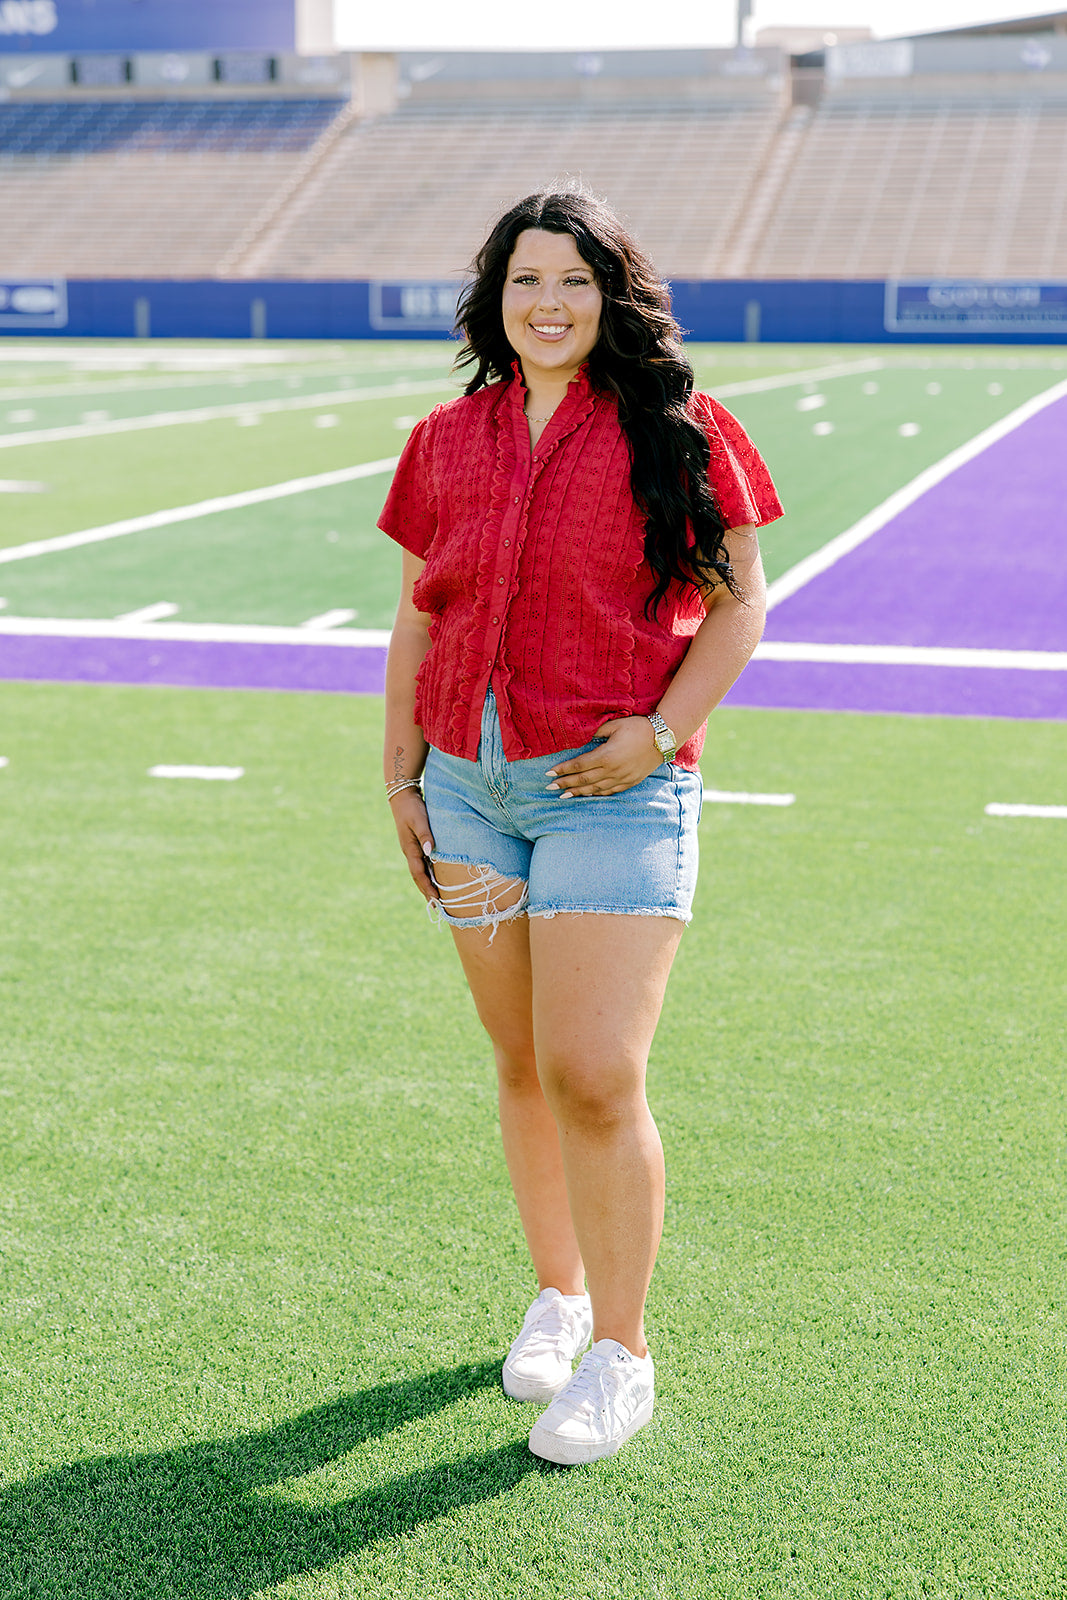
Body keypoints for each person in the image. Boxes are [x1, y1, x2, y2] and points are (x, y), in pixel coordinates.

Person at [378, 188, 782, 1466]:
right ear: (493, 303)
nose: (546, 303)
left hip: (612, 784)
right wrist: (402, 772)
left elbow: (737, 604)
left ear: (612, 294)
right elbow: (419, 614)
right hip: (467, 787)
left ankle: (622, 1351)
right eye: (521, 282)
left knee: (595, 1072)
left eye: (571, 280)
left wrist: (659, 733)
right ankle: (554, 1295)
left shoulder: (680, 427)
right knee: (519, 1061)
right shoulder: (446, 438)